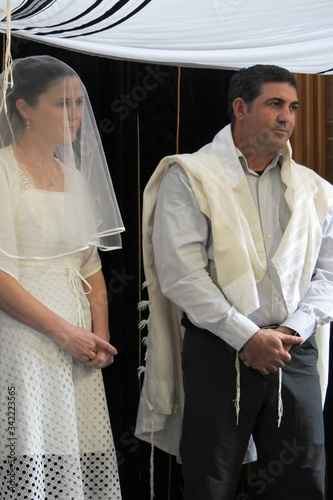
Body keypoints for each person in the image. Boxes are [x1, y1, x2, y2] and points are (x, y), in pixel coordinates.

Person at [135, 64, 333, 499]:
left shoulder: (315, 189)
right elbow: (182, 275)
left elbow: (329, 275)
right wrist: (245, 337)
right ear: (240, 108)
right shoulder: (190, 175)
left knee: (300, 481)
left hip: (292, 352)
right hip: (219, 348)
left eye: (294, 107)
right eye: (275, 104)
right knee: (211, 482)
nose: (287, 117)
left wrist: (288, 331)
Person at [0, 55, 125, 499]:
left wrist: (99, 339)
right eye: (62, 104)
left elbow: (89, 266)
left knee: (77, 452)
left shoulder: (73, 177)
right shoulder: (2, 171)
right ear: (25, 109)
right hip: (22, 336)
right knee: (28, 446)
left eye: (78, 103)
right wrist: (62, 332)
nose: (75, 115)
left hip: (79, 346)